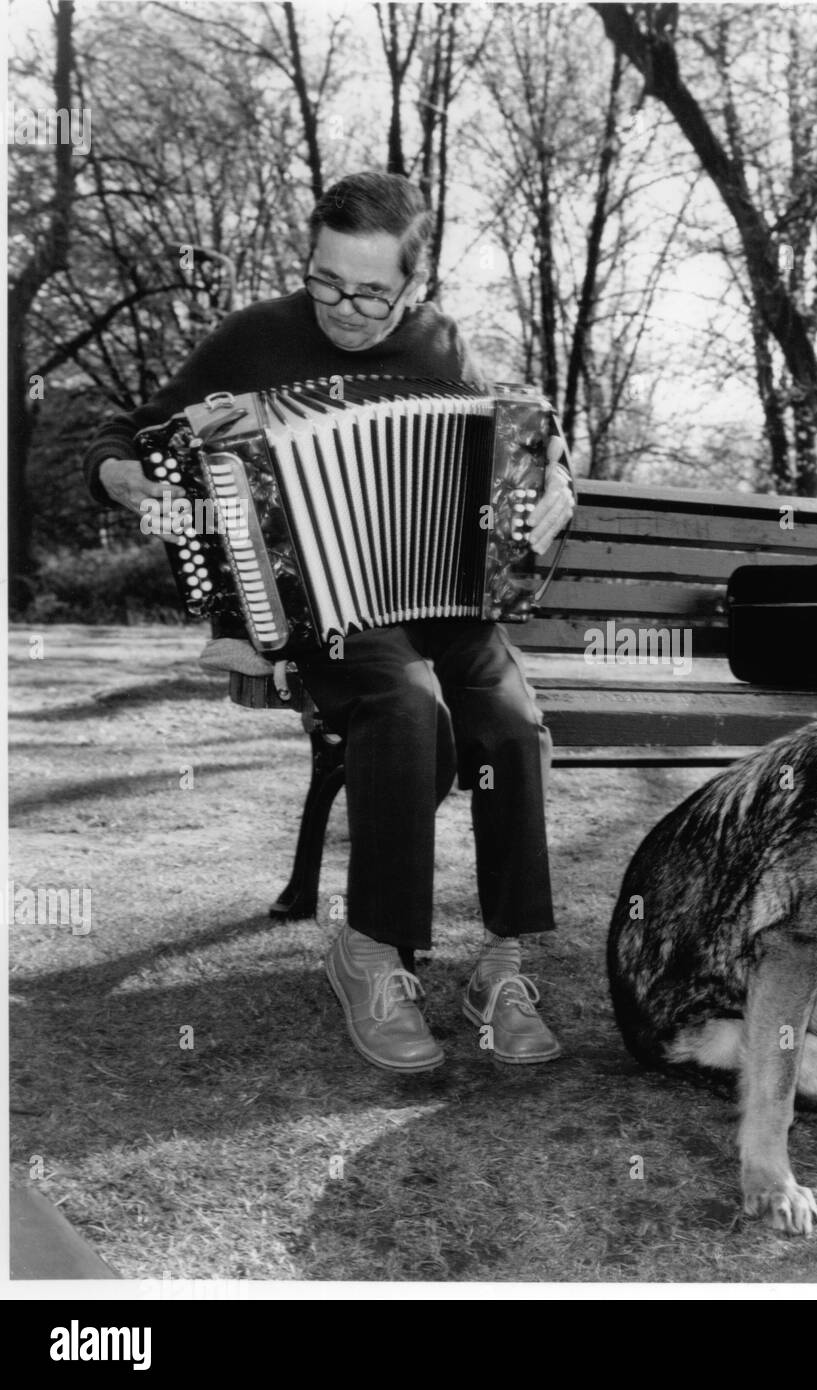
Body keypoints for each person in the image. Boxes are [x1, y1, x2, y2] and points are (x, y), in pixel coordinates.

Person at [83, 171, 575, 1072]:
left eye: (370, 291)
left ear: (413, 286)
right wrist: (124, 479)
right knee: (404, 702)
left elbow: (520, 441)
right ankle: (372, 950)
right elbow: (131, 433)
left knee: (509, 722)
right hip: (321, 608)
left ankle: (501, 963)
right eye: (324, 281)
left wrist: (556, 481)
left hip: (443, 595)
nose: (343, 308)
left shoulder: (440, 341)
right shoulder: (253, 339)